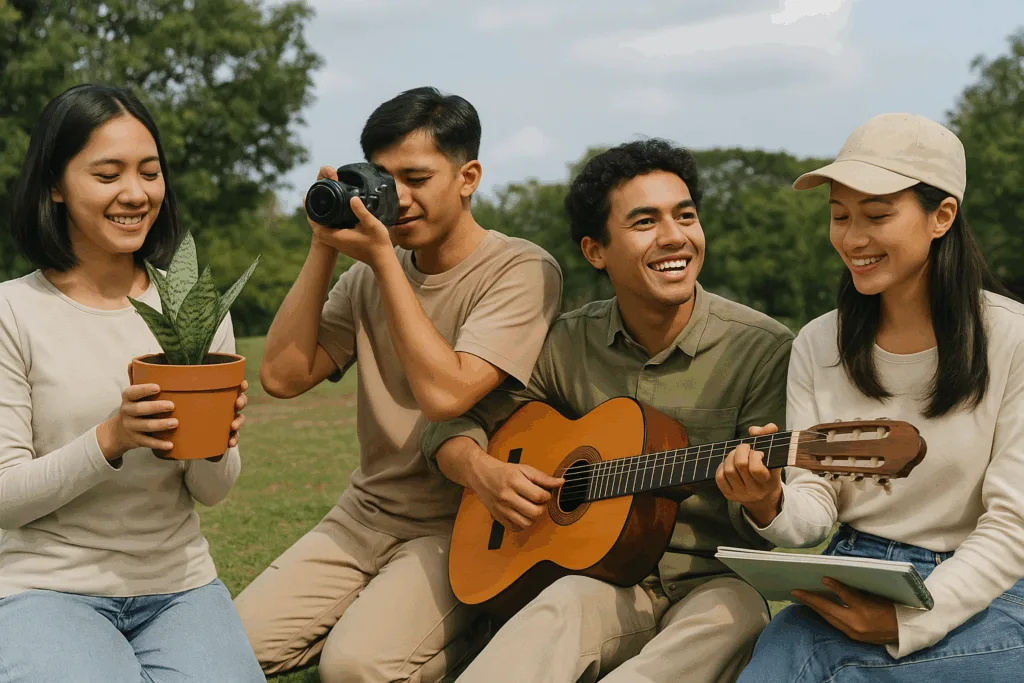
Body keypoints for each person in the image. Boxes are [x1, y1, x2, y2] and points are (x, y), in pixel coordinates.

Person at [420, 138, 795, 683]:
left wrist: (763, 500)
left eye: (685, 216)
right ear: (596, 251)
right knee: (550, 617)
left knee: (733, 617)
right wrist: (485, 473)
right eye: (645, 222)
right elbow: (452, 422)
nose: (675, 237)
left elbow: (773, 528)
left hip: (711, 583)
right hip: (595, 577)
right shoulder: (566, 342)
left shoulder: (762, 349)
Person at [233, 86, 563, 683]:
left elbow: (446, 395)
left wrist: (384, 262)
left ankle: (470, 632)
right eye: (383, 181)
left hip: (459, 524)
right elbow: (282, 377)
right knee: (232, 647)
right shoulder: (365, 277)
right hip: (363, 513)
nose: (397, 199)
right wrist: (323, 245)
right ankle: (387, 618)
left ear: (469, 177)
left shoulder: (521, 268)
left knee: (355, 669)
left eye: (415, 178)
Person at [717, 113, 1024, 681]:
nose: (852, 239)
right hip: (855, 573)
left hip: (993, 587)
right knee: (786, 658)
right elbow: (815, 512)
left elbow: (1011, 528)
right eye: (839, 216)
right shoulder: (816, 343)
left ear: (942, 215)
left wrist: (906, 622)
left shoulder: (1012, 339)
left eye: (877, 216)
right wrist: (766, 501)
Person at [0, 84, 262, 683]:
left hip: (178, 585)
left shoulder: (195, 309)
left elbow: (213, 492)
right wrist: (112, 439)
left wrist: (215, 440)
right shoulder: (12, 313)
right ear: (55, 185)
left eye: (150, 172)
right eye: (108, 173)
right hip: (46, 586)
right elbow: (5, 499)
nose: (135, 193)